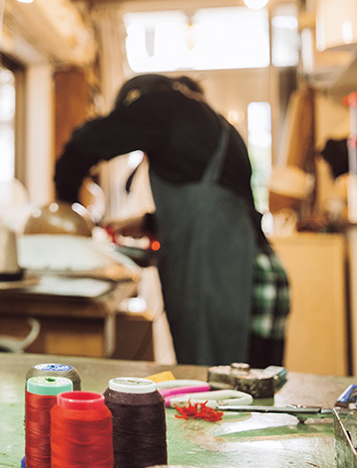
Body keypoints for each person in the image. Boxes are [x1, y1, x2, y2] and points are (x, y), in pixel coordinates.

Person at [54, 73, 289, 367]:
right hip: (259, 275)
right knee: (248, 400)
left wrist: (66, 209)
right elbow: (224, 212)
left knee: (217, 390)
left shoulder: (165, 105)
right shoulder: (215, 127)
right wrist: (150, 222)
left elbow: (83, 143)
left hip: (230, 284)